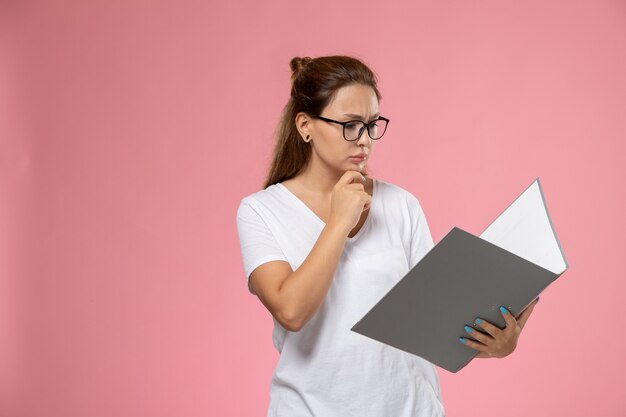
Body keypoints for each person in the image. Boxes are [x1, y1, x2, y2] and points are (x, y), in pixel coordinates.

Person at [236, 55, 539, 417]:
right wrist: (338, 222)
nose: (364, 140)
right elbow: (292, 311)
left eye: (371, 124)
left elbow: (432, 319)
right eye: (350, 125)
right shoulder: (261, 211)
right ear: (305, 126)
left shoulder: (402, 206)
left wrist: (495, 342)